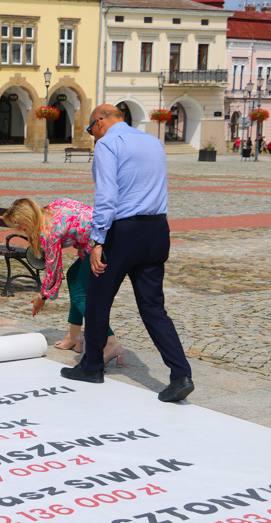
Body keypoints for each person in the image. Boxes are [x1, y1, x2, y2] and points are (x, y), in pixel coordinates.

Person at [60, 104, 193, 403]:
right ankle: (180, 374)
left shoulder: (109, 144)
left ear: (102, 121)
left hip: (124, 233)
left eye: (91, 129)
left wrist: (97, 241)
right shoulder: (153, 141)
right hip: (158, 230)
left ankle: (92, 366)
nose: (92, 135)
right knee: (154, 308)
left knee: (96, 302)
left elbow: (106, 195)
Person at [3, 197, 123, 365]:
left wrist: (43, 297)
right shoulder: (53, 207)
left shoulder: (48, 231)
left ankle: (111, 342)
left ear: (27, 217)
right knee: (74, 276)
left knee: (80, 294)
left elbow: (53, 270)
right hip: (106, 235)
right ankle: (74, 335)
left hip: (101, 244)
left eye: (18, 223)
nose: (19, 229)